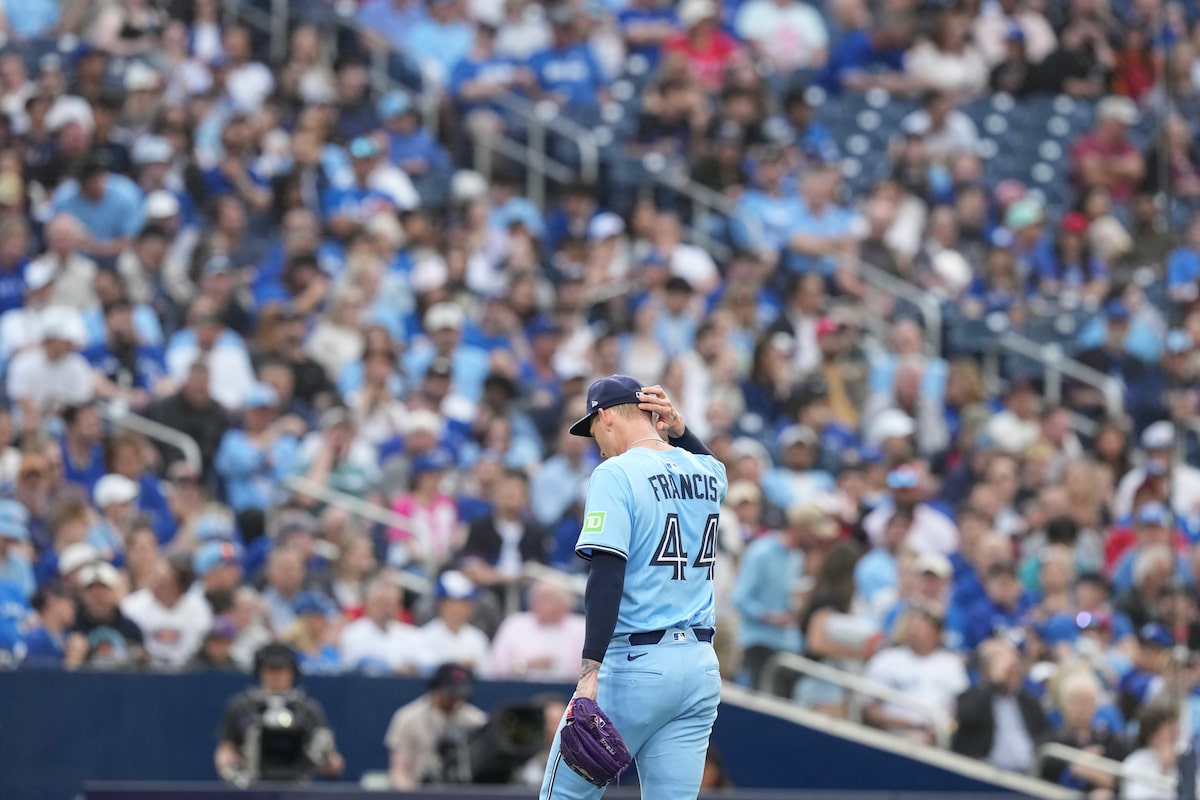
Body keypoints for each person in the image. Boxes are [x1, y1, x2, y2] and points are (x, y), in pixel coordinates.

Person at [538, 377, 726, 800]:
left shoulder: (615, 472)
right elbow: (713, 466)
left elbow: (606, 575)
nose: (598, 446)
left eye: (593, 431)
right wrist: (679, 427)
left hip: (636, 665)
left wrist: (589, 672)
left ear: (605, 416)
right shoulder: (706, 472)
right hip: (699, 667)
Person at [214, 642, 344, 784]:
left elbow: (329, 756)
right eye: (271, 670)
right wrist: (228, 767)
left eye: (282, 670)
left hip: (297, 785)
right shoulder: (242, 707)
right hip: (252, 783)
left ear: (292, 672)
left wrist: (330, 762)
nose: (277, 675)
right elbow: (226, 747)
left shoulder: (308, 709)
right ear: (261, 672)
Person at [385, 662, 489, 789]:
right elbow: (400, 773)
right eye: (450, 692)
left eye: (460, 693)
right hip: (420, 790)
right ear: (436, 688)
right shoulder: (408, 718)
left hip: (463, 791)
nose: (455, 698)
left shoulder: (476, 719)